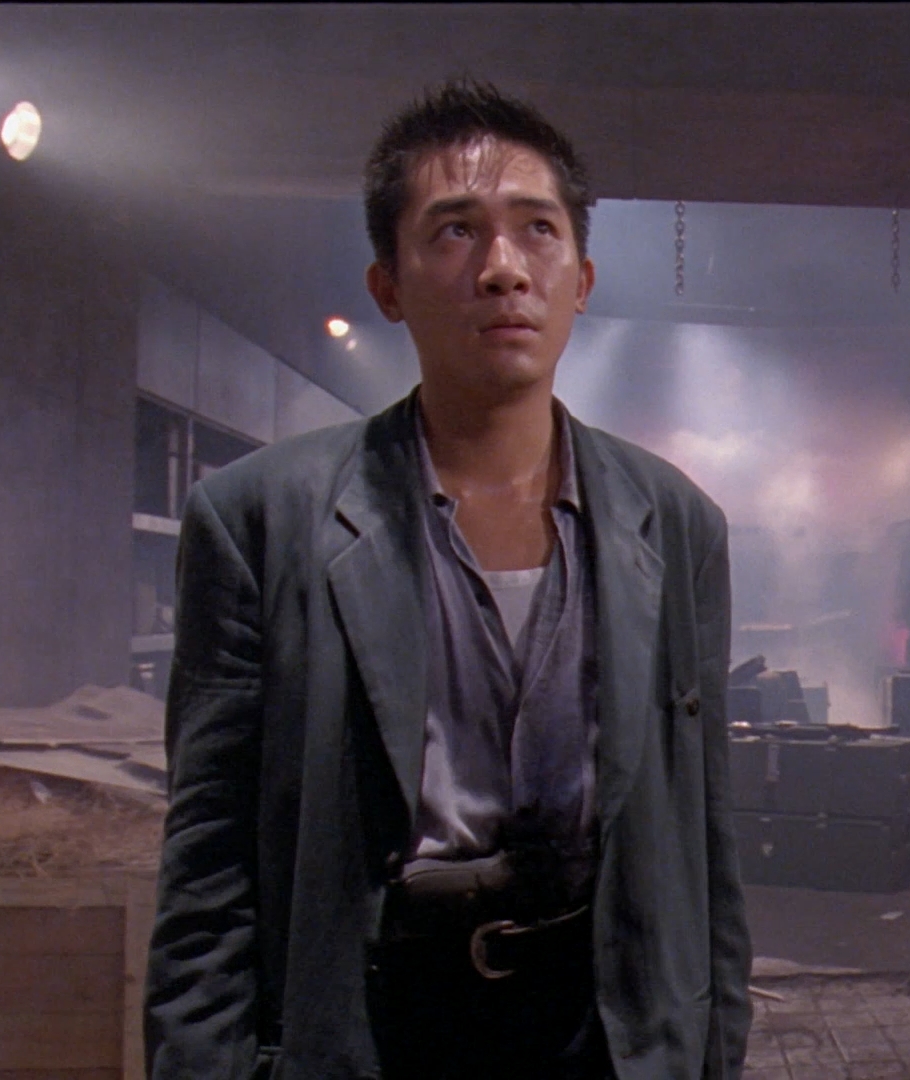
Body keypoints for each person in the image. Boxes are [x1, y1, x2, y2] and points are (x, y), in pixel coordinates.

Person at [144, 80, 751, 1080]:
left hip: (605, 1030)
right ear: (387, 285)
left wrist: (712, 1047)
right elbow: (208, 860)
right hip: (377, 1022)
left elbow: (705, 838)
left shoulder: (675, 524)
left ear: (582, 278)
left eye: (538, 229)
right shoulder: (262, 518)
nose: (503, 268)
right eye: (456, 230)